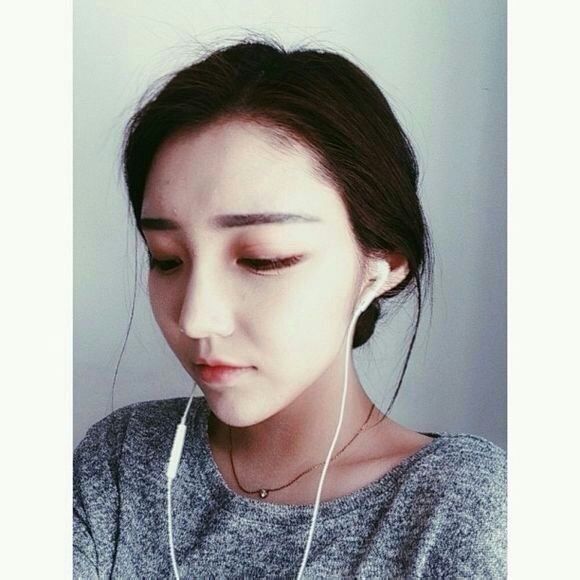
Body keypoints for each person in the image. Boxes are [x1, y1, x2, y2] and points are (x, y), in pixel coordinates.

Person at [73, 38, 506, 579]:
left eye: (263, 259)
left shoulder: (459, 509)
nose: (195, 318)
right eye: (167, 259)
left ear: (381, 266)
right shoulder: (123, 460)